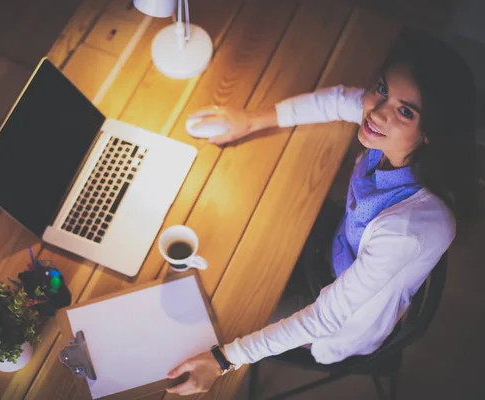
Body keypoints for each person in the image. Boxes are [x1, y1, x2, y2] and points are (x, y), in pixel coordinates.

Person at [165, 33, 478, 396]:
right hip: (338, 243)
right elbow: (339, 100)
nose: (376, 112)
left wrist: (222, 360)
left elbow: (325, 317)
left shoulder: (408, 229)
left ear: (432, 133)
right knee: (235, 228)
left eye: (405, 111)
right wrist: (253, 120)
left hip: (335, 323)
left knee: (220, 307)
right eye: (381, 90)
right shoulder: (396, 139)